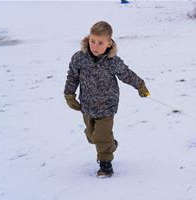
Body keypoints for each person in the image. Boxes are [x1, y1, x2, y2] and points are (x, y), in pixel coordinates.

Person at [64, 21, 149, 177]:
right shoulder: (79, 58)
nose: (95, 46)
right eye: (92, 41)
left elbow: (127, 75)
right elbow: (72, 76)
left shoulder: (112, 61)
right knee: (92, 137)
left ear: (109, 43)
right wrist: (69, 94)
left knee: (101, 137)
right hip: (87, 105)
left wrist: (140, 86)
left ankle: (105, 165)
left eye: (100, 43)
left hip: (107, 106)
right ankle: (110, 145)